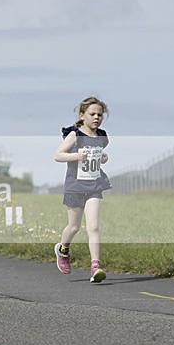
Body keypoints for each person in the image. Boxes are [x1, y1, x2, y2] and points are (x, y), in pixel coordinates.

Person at [54, 97, 111, 283]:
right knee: (74, 226)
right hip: (75, 187)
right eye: (92, 114)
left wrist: (102, 158)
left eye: (99, 115)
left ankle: (96, 266)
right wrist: (77, 155)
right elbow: (58, 155)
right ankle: (63, 249)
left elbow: (99, 154)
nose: (96, 118)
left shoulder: (102, 137)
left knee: (93, 226)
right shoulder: (75, 135)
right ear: (82, 115)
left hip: (94, 185)